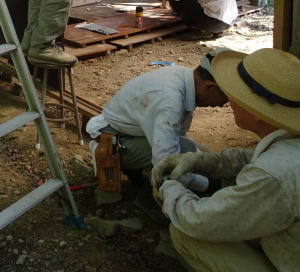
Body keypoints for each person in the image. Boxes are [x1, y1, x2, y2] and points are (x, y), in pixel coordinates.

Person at [151, 48, 300, 272]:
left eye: (236, 93)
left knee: (185, 235)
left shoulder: (273, 176)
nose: (229, 100)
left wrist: (170, 189)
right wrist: (197, 161)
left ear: (256, 110)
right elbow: (253, 160)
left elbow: (197, 221)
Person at [85, 49, 229, 223]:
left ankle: (140, 175)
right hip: (113, 144)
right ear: (209, 87)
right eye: (225, 97)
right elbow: (166, 159)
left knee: (204, 155)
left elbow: (176, 134)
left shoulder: (185, 77)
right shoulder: (169, 99)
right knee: (185, 154)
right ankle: (150, 200)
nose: (223, 105)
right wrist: (207, 185)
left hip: (129, 134)